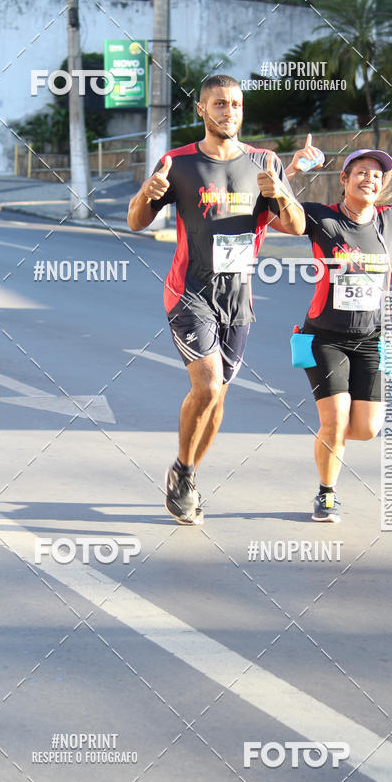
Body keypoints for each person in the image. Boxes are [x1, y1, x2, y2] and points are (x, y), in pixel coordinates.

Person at [127, 74, 295, 525]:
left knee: (217, 396)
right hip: (189, 293)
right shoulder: (177, 162)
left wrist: (278, 193)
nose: (229, 112)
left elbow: (295, 224)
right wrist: (147, 193)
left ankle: (186, 472)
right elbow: (136, 222)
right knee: (206, 384)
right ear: (201, 110)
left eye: (236, 105)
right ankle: (183, 473)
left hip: (238, 300)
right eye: (219, 104)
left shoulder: (264, 162)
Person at [282, 137, 392, 522]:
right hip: (325, 337)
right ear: (344, 179)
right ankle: (326, 493)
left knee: (365, 429)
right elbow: (272, 213)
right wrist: (293, 170)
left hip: (374, 340)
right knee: (334, 419)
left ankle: (328, 442)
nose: (370, 179)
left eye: (377, 174)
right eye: (361, 172)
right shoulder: (320, 217)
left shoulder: (389, 219)